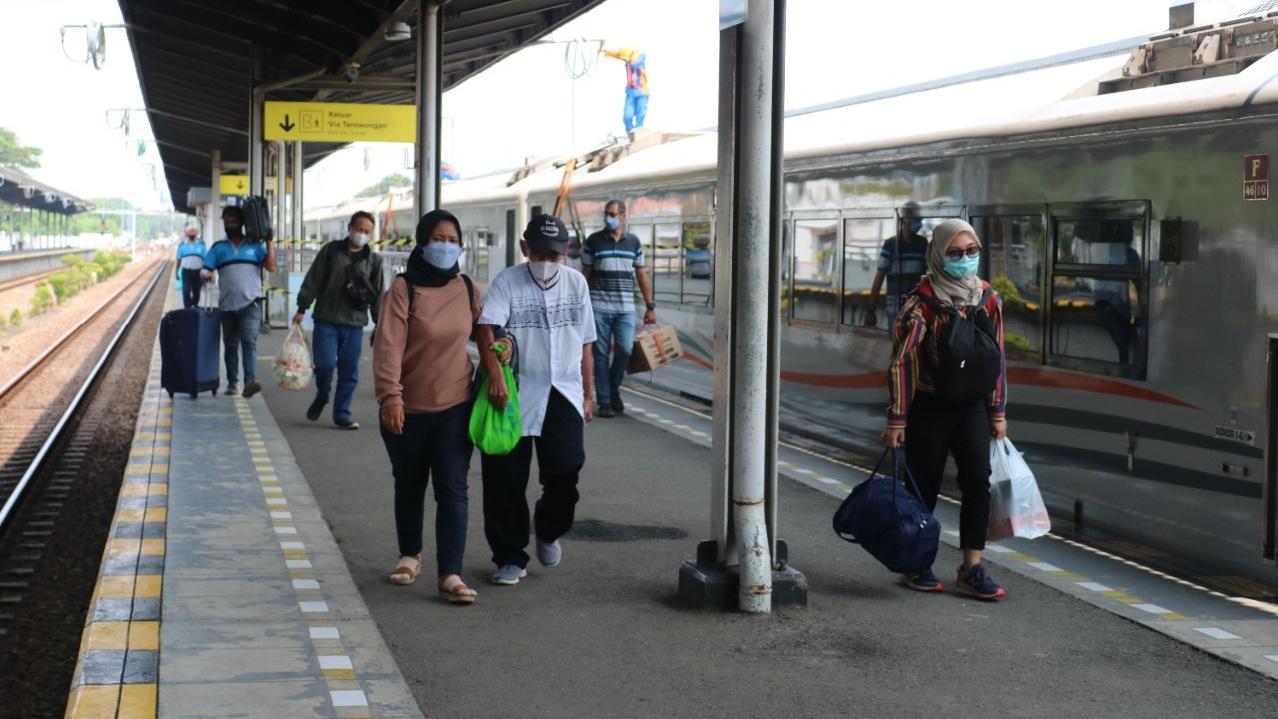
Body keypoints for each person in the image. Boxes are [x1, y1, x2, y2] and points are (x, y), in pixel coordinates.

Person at [883, 218, 1008, 600]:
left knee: (977, 485)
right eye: (955, 253)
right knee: (923, 488)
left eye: (972, 252)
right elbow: (903, 362)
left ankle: (972, 568)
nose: (966, 259)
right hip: (930, 407)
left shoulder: (987, 298)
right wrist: (897, 417)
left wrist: (997, 411)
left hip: (970, 407)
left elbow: (997, 358)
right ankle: (916, 563)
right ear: (937, 255)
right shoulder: (920, 304)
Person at [374, 209, 494, 605]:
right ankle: (410, 554)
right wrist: (391, 396)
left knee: (453, 488)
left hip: (455, 404)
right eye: (438, 238)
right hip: (407, 407)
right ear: (423, 243)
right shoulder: (403, 290)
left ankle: (450, 574)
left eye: (452, 239)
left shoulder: (467, 289)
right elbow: (388, 346)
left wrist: (503, 350)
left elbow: (487, 331)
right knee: (409, 484)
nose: (446, 246)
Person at [476, 214, 596, 586]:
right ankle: (510, 556)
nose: (547, 261)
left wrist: (590, 393)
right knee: (504, 479)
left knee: (566, 470)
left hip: (564, 391)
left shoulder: (576, 284)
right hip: (516, 391)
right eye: (540, 252)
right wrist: (495, 376)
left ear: (566, 252)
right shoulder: (507, 282)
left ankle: (548, 527)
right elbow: (486, 328)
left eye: (555, 254)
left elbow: (586, 343)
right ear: (525, 249)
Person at [293, 211, 385, 430]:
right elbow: (313, 278)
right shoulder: (331, 251)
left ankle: (342, 414)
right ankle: (323, 394)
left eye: (367, 231)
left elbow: (378, 294)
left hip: (354, 323)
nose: (362, 234)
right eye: (359, 229)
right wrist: (302, 307)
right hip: (326, 319)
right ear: (350, 227)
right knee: (324, 365)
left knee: (349, 371)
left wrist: (380, 323)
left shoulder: (374, 261)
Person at [580, 199, 655, 418]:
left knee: (625, 350)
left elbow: (641, 274)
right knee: (600, 355)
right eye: (606, 213)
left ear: (623, 215)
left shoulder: (633, 243)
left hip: (625, 309)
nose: (608, 218)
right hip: (599, 307)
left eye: (612, 214)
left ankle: (612, 389)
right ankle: (604, 400)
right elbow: (585, 273)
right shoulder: (593, 241)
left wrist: (650, 306)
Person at [202, 205, 276, 398]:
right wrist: (206, 274)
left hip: (251, 303)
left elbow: (271, 267)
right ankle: (232, 383)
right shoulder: (218, 248)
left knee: (249, 342)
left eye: (233, 221)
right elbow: (206, 268)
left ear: (242, 223)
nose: (229, 224)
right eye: (226, 222)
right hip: (227, 305)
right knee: (231, 345)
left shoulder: (255, 247)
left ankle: (250, 382)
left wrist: (269, 242)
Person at [865, 202, 927, 328]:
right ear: (905, 220)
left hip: (917, 309)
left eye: (920, 219)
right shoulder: (890, 245)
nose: (919, 223)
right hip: (895, 310)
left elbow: (929, 275)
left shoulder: (923, 244)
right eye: (917, 219)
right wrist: (871, 309)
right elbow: (879, 277)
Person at [601, 46, 650, 134]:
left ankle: (639, 130)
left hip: (642, 91)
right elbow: (618, 55)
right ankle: (630, 132)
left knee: (641, 113)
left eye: (627, 58)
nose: (626, 60)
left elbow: (635, 64)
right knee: (627, 116)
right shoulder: (628, 58)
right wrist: (607, 52)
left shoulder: (641, 56)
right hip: (631, 91)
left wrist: (630, 58)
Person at [176, 226, 206, 308]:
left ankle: (194, 304)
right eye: (190, 232)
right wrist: (176, 272)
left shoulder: (201, 245)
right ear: (186, 233)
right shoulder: (182, 245)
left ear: (196, 234)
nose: (192, 234)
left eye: (194, 232)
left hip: (198, 272)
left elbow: (205, 259)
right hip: (186, 272)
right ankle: (187, 308)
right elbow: (178, 259)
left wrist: (206, 271)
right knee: (186, 291)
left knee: (197, 292)